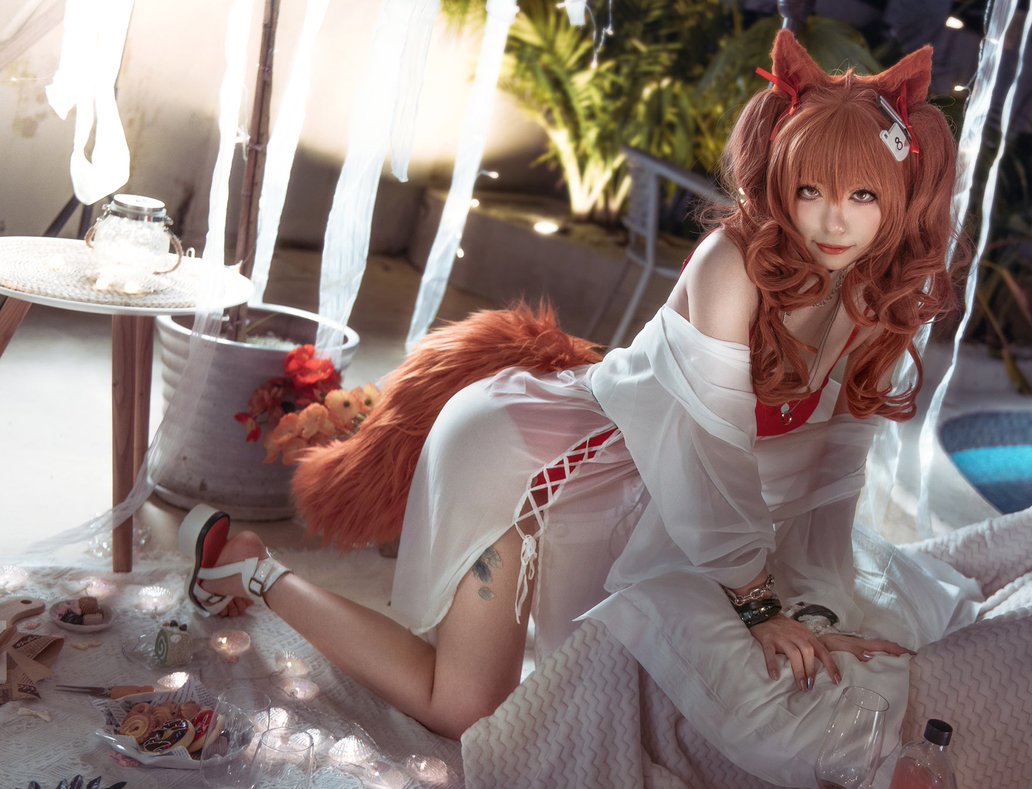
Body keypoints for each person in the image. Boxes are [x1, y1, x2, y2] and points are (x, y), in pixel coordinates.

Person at [180, 30, 970, 778]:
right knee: (465, 707)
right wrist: (762, 605)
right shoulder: (731, 267)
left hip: (635, 484)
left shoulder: (873, 298)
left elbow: (831, 473)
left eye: (862, 195)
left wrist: (822, 599)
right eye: (811, 190)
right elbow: (714, 453)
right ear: (780, 181)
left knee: (620, 685)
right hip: (530, 462)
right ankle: (252, 569)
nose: (834, 219)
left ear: (900, 196)